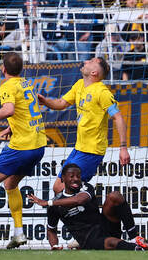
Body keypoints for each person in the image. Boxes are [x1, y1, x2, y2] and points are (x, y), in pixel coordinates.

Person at [0, 52, 47, 249]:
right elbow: (25, 110)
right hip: (38, 145)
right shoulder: (27, 83)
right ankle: (18, 233)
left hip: (22, 146)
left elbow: (9, 110)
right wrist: (12, 127)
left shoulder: (7, 86)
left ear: (3, 69)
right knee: (10, 184)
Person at [37, 57, 129, 194]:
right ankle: (86, 205)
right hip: (79, 148)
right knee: (58, 187)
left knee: (65, 189)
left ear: (94, 73)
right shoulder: (79, 85)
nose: (86, 62)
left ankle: (89, 205)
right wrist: (45, 102)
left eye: (90, 62)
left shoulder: (102, 92)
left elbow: (118, 117)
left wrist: (123, 148)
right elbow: (62, 103)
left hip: (92, 151)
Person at [28, 162, 148, 251]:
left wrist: (49, 202)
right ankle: (138, 249)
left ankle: (135, 238)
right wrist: (54, 246)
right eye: (71, 176)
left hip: (104, 226)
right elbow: (51, 229)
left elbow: (80, 200)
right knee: (113, 243)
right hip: (89, 239)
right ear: (63, 179)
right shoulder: (56, 205)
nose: (76, 179)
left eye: (78, 176)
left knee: (115, 196)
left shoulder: (85, 187)